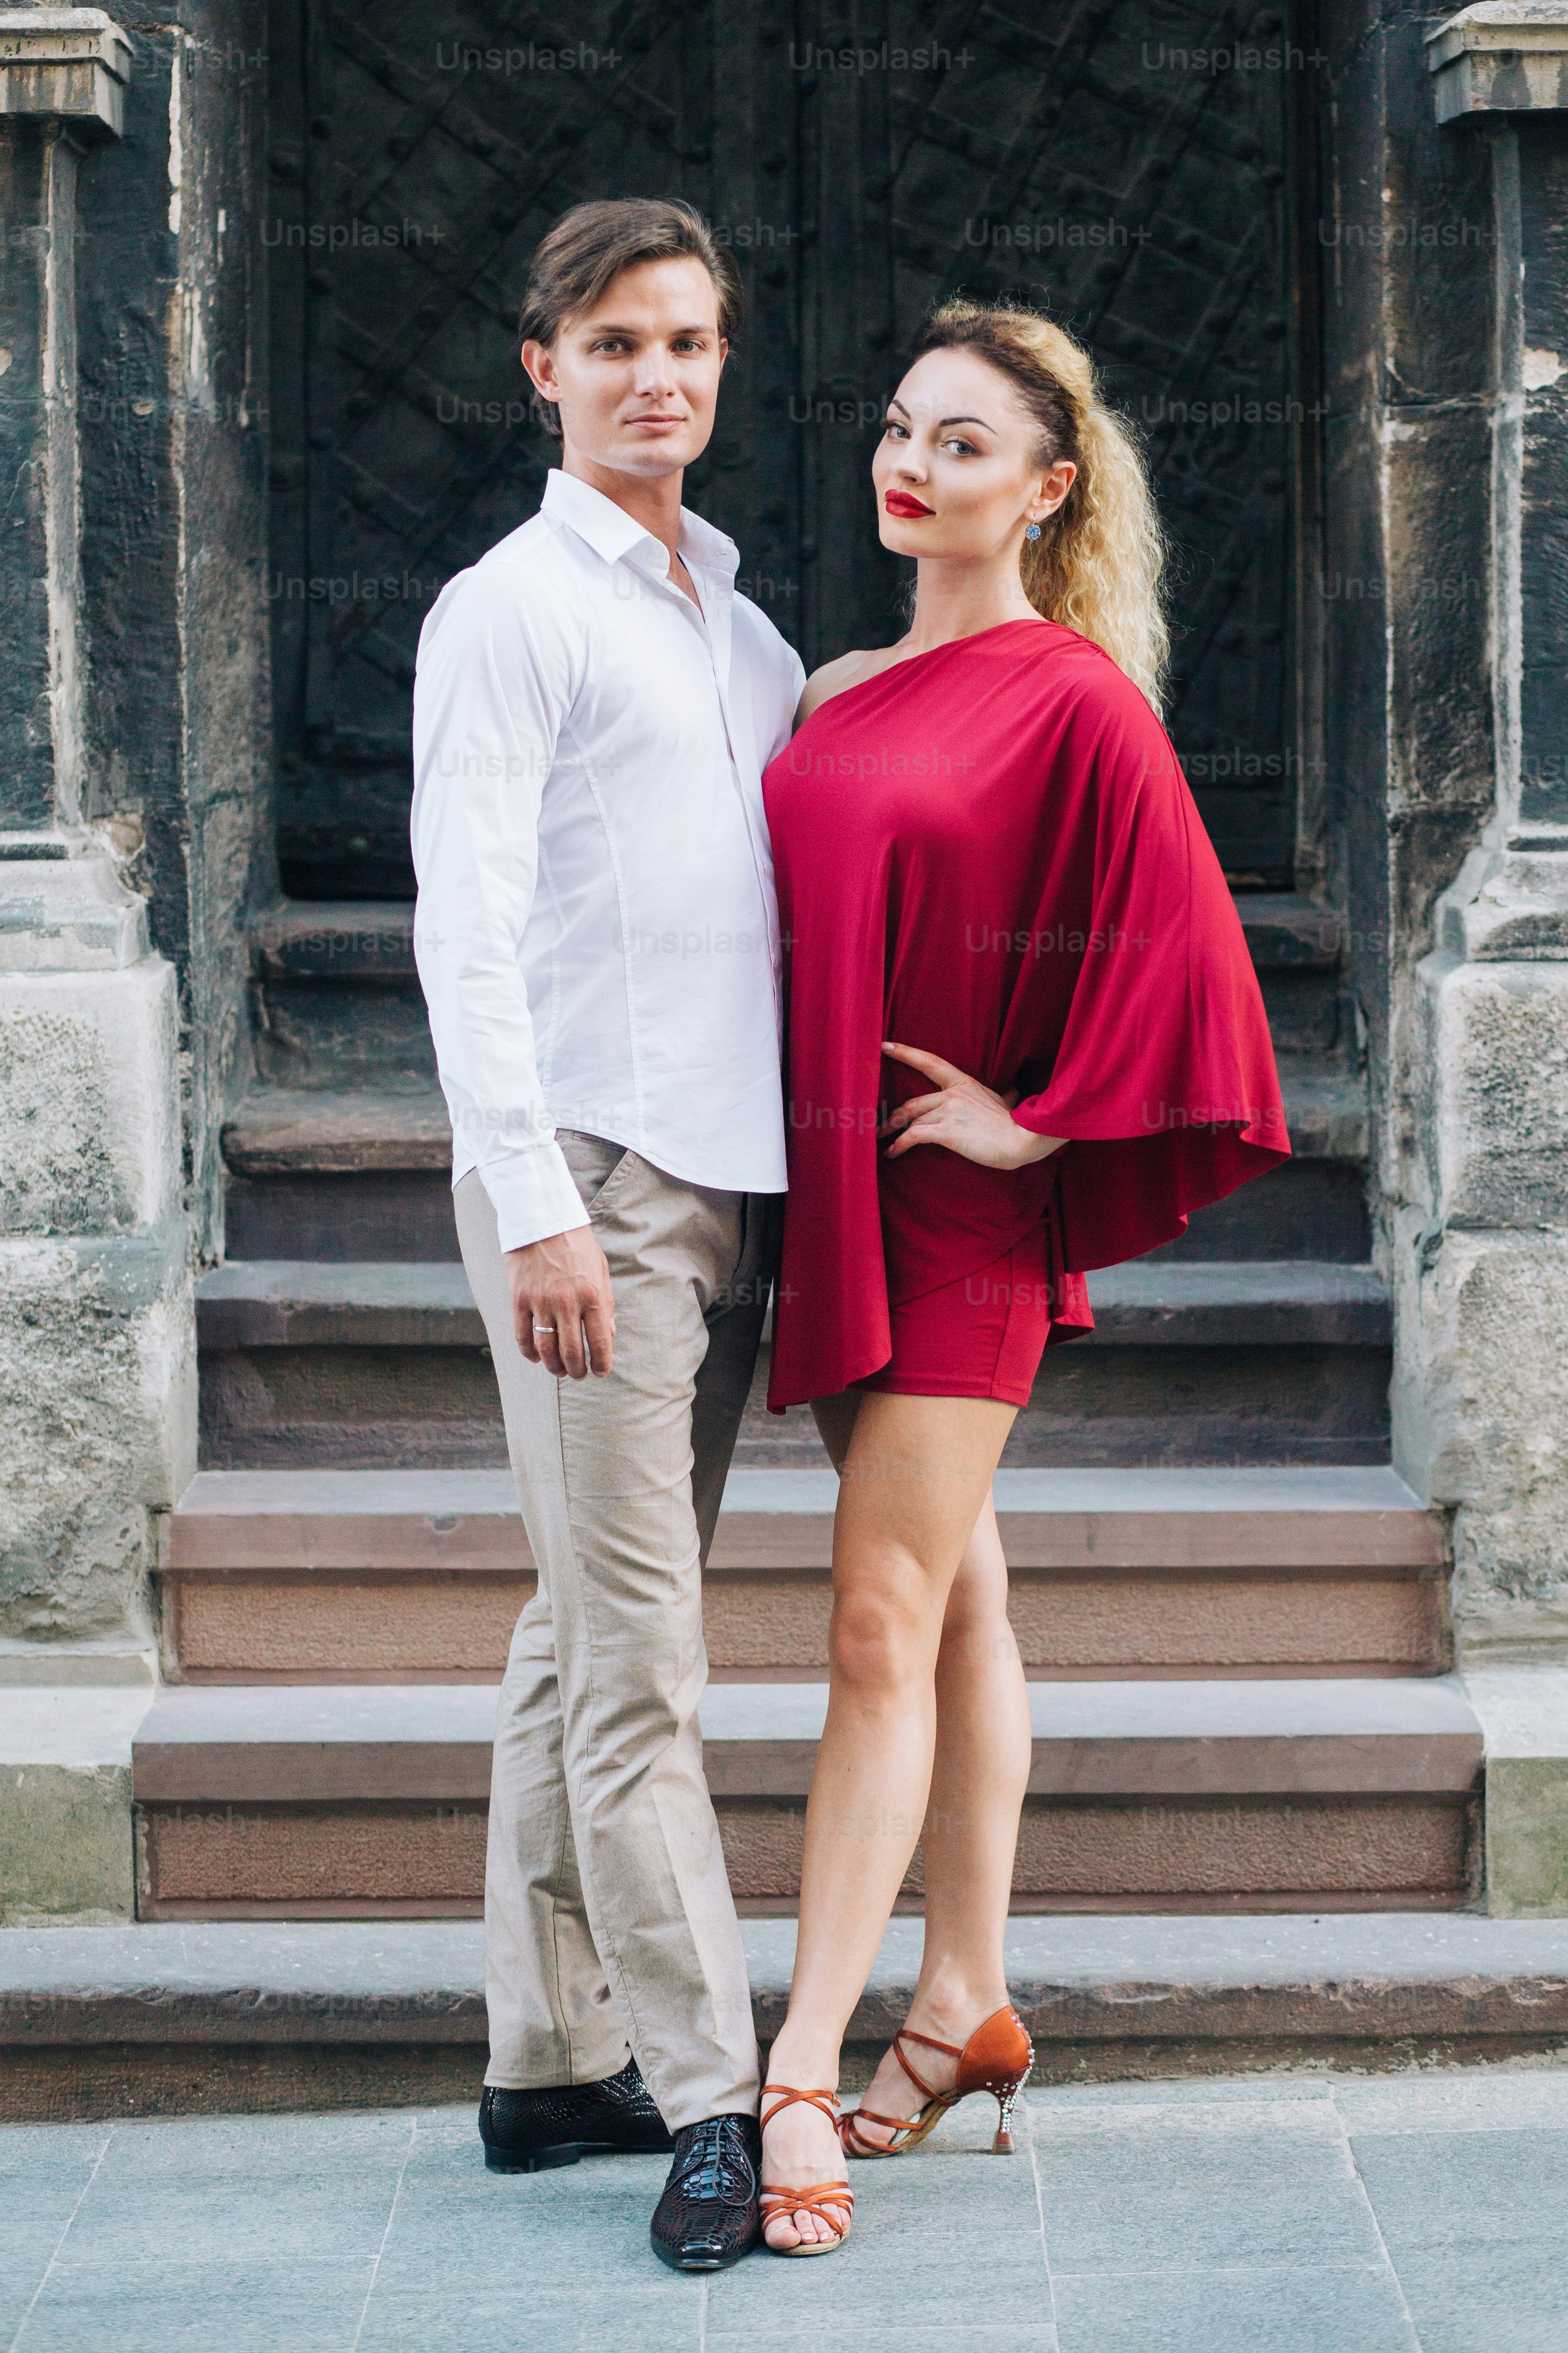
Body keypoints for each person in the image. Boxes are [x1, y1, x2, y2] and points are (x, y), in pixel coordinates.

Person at [753, 301, 1288, 2252]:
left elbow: (1189, 956)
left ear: (1045, 488)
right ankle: (964, 2005)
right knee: (957, 1603)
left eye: (962, 444)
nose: (911, 465)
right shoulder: (821, 690)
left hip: (954, 1227)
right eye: (900, 429)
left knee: (875, 1625)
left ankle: (797, 2059)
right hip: (824, 1208)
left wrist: (1042, 1122)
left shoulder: (1073, 698)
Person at [410, 198, 803, 2272]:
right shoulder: (510, 607)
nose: (661, 375)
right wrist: (538, 1203)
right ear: (541, 367)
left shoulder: (743, 632)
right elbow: (458, 931)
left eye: (691, 342)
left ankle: (537, 2053)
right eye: (617, 342)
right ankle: (708, 2099)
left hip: (730, 1187)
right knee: (644, 1660)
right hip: (592, 1188)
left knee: (576, 1630)